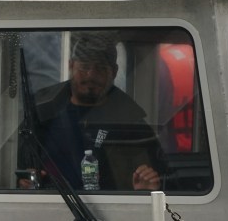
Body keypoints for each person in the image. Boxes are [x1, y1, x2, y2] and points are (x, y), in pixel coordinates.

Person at [20, 31, 164, 191]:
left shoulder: (132, 124)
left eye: (101, 68)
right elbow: (16, 163)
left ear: (114, 72)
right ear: (71, 66)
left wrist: (145, 190)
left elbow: (157, 180)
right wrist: (24, 180)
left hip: (112, 210)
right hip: (46, 206)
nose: (91, 75)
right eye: (84, 67)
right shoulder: (41, 114)